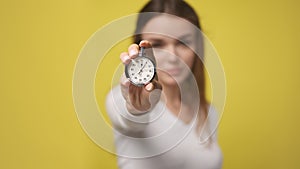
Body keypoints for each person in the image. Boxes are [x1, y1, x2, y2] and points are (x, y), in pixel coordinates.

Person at [105, 0, 223, 168]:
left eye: (183, 43)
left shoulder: (208, 112)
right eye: (158, 44)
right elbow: (129, 117)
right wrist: (136, 108)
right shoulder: (118, 99)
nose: (172, 56)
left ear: (197, 47)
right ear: (141, 48)